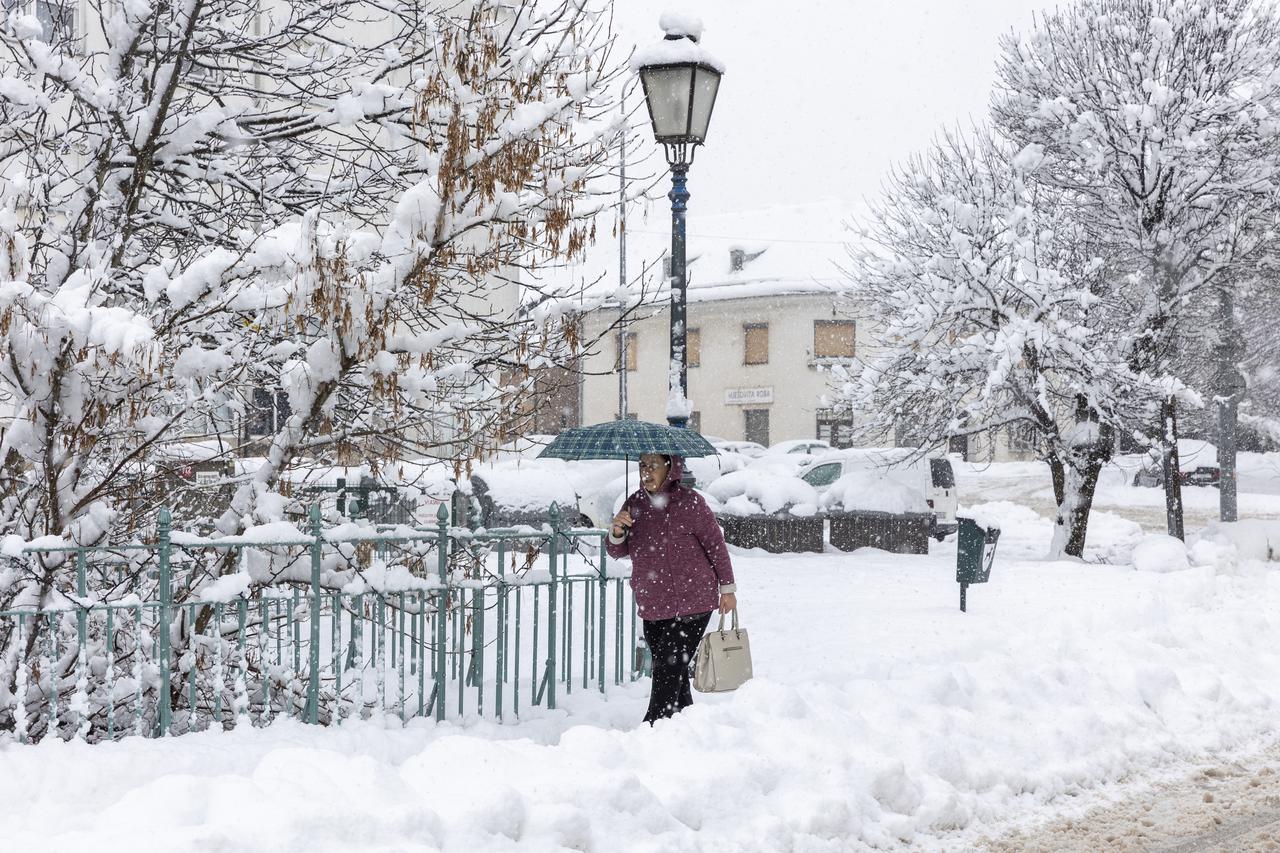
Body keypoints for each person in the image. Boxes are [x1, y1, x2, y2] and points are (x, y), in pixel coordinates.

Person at [606, 453, 737, 725]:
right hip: (653, 602)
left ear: (671, 468)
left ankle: (654, 724)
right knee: (672, 668)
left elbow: (715, 546)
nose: (646, 472)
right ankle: (686, 722)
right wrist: (617, 530)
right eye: (642, 466)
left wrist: (728, 588)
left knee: (668, 665)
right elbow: (617, 551)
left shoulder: (691, 503)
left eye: (653, 466)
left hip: (693, 601)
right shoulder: (635, 504)